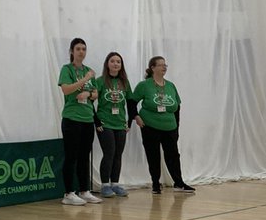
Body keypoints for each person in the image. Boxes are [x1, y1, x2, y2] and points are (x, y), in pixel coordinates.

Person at [132, 56, 195, 195]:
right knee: (153, 154)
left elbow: (177, 107)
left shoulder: (171, 85)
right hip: (150, 126)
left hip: (169, 127)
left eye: (165, 65)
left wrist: (176, 127)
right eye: (160, 65)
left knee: (173, 155)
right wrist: (136, 117)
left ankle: (179, 183)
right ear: (153, 68)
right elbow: (131, 101)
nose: (164, 67)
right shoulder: (144, 85)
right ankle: (155, 183)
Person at [58, 37, 101, 206]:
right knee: (71, 156)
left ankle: (85, 190)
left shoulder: (89, 70)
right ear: (71, 52)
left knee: (84, 156)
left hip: (87, 118)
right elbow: (66, 89)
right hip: (71, 118)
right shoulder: (67, 69)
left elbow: (95, 93)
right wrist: (84, 81)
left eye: (84, 49)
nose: (81, 52)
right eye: (78, 49)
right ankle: (69, 193)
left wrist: (88, 95)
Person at [95, 52, 133, 198]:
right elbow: (90, 103)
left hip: (120, 123)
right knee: (109, 153)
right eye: (113, 61)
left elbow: (130, 102)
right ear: (107, 64)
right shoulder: (100, 81)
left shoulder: (125, 82)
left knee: (118, 154)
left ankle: (115, 184)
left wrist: (128, 122)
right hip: (105, 123)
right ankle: (105, 185)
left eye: (118, 61)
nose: (116, 64)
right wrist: (97, 122)